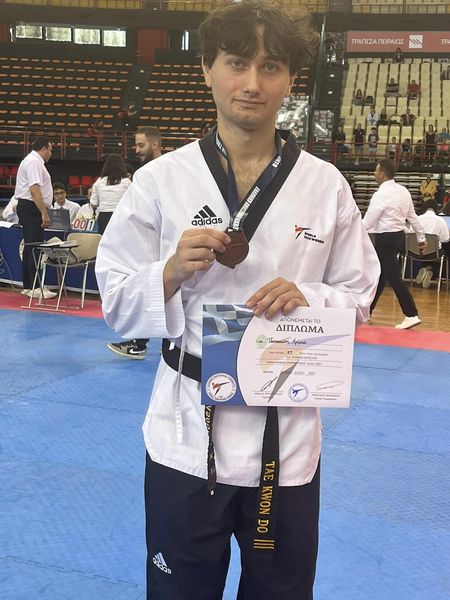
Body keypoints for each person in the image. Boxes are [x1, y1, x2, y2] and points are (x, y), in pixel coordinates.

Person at [95, 3, 380, 598]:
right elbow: (116, 301)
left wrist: (310, 296)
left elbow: (359, 294)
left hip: (287, 434)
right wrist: (169, 271)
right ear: (207, 69)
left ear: (291, 79)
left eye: (270, 66)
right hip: (185, 431)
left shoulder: (325, 185)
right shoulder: (160, 181)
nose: (252, 83)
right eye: (236, 63)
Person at [107, 126, 162, 359]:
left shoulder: (163, 170)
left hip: (163, 240)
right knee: (149, 290)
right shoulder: (147, 171)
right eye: (136, 145)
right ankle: (140, 343)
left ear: (155, 144)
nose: (136, 149)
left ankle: (141, 343)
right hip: (149, 240)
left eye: (141, 145)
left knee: (160, 291)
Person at [363, 159, 426, 329]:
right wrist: (421, 238)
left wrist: (350, 232)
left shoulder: (380, 195)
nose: (374, 174)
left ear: (382, 174)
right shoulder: (403, 191)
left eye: (376, 171)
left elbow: (367, 223)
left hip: (385, 239)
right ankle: (367, 312)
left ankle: (411, 314)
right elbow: (412, 217)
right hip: (399, 237)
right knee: (380, 276)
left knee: (393, 278)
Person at [14, 135, 56, 298]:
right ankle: (35, 287)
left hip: (29, 206)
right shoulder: (34, 162)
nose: (51, 153)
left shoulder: (32, 161)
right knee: (35, 246)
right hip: (32, 207)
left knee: (30, 246)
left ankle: (28, 285)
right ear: (43, 148)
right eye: (50, 150)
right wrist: (44, 212)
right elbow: (34, 190)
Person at [90, 154, 131, 235]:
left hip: (104, 217)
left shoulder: (99, 181)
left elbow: (93, 204)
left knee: (104, 240)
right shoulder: (127, 182)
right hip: (121, 216)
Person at [413, 201, 450, 288]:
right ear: (436, 209)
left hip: (416, 252)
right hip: (434, 252)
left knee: (428, 251)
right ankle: (429, 270)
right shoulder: (440, 221)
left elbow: (410, 234)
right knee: (442, 252)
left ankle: (426, 269)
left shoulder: (417, 219)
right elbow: (445, 239)